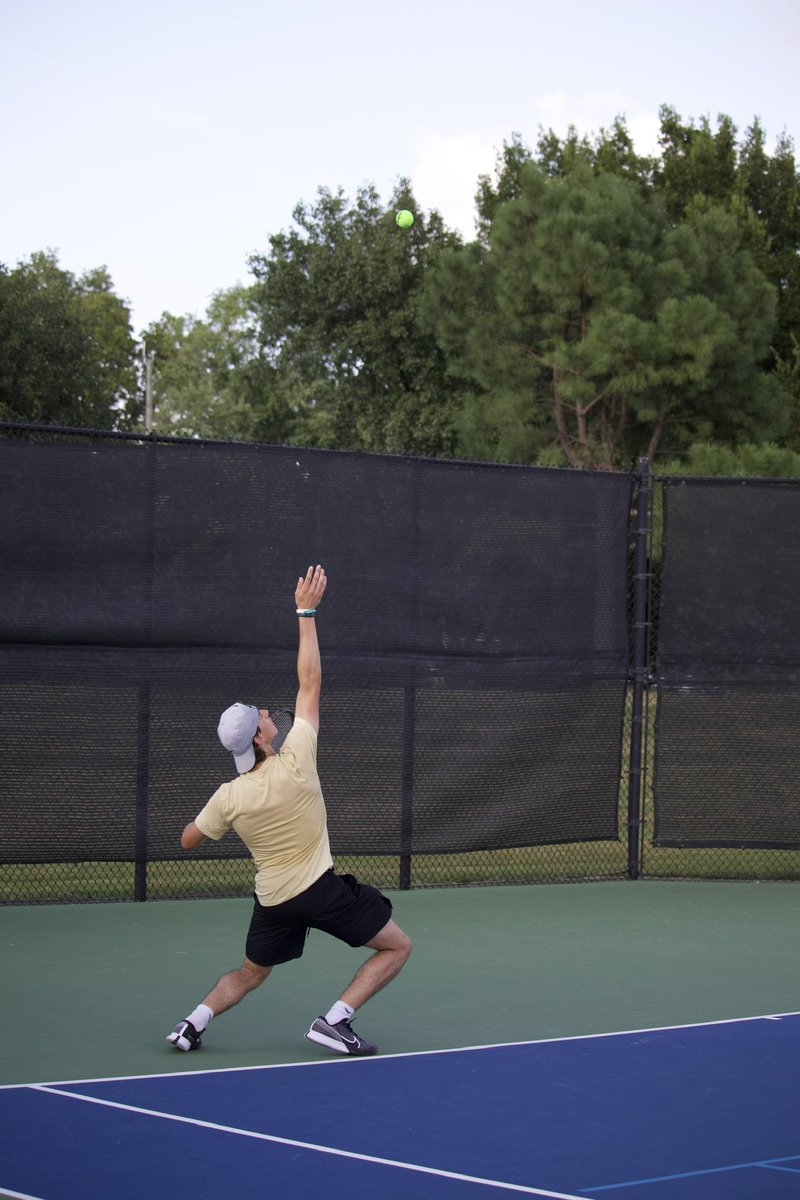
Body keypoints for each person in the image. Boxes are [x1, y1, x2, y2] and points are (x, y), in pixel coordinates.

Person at [166, 564, 411, 1057]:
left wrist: (211, 820)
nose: (265, 713)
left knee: (251, 972)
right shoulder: (298, 756)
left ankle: (191, 1025)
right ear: (259, 737)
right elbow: (310, 679)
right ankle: (335, 1021)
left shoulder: (229, 796)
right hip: (320, 890)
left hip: (273, 900)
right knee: (397, 946)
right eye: (259, 715)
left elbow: (188, 839)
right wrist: (306, 612)